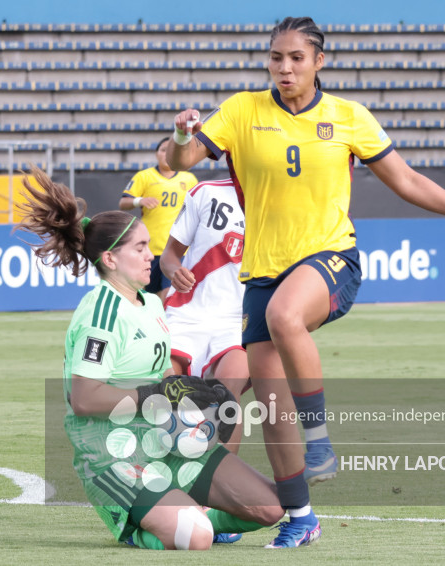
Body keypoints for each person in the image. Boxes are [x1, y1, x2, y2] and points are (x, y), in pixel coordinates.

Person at [166, 16, 445, 548]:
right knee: (270, 405)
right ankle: (302, 518)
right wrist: (180, 134)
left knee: (288, 318)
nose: (284, 67)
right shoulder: (242, 110)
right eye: (276, 57)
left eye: (296, 58)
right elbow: (178, 161)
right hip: (261, 273)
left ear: (319, 62)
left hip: (331, 259)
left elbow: (406, 181)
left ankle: (320, 442)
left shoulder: (348, 118)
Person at [15, 167, 283, 551]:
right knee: (197, 537)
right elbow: (85, 399)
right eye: (139, 248)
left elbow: (166, 389)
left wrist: (195, 403)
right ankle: (140, 528)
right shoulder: (101, 314)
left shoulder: (154, 303)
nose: (150, 255)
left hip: (163, 441)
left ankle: (188, 512)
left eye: (148, 245)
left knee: (271, 507)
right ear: (109, 258)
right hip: (113, 454)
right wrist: (157, 391)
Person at [159, 177, 248, 453]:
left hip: (238, 321)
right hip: (187, 313)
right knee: (165, 396)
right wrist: (175, 272)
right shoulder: (205, 192)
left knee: (228, 398)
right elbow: (169, 256)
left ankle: (220, 487)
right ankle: (167, 478)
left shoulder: (283, 199)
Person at [119, 137, 198, 301]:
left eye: (171, 149)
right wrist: (139, 200)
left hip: (177, 249)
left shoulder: (189, 179)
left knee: (168, 294)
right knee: (145, 297)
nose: (166, 153)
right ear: (156, 154)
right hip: (150, 248)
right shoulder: (144, 176)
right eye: (163, 149)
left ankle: (166, 326)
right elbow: (123, 202)